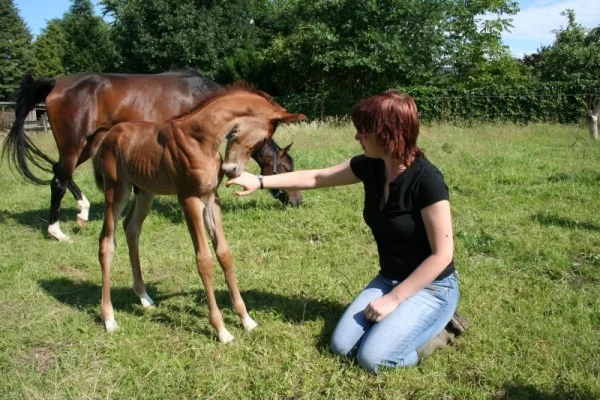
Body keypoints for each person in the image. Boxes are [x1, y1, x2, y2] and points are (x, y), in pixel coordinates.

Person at [226, 91, 467, 373]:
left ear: (388, 134)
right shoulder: (372, 166)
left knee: (373, 359)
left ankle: (443, 331)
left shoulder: (428, 182)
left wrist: (393, 299)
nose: (357, 138)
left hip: (432, 287)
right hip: (389, 277)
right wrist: (260, 180)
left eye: (363, 132)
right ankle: (403, 322)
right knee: (342, 346)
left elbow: (442, 255)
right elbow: (316, 177)